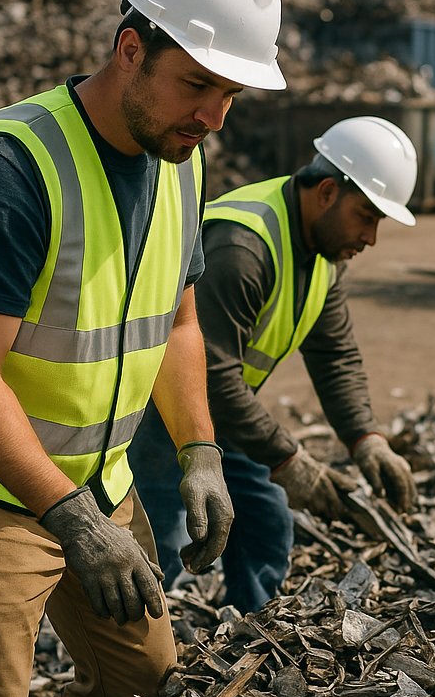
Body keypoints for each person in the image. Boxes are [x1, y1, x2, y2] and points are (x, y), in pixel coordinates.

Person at [0, 0, 287, 697]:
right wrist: (70, 519)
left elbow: (180, 325)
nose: (216, 116)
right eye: (199, 85)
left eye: (231, 93)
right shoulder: (15, 167)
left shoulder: (182, 161)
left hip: (100, 486)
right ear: (131, 50)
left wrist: (199, 450)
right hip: (2, 501)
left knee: (144, 685)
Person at [129, 116, 419, 615]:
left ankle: (251, 640)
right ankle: (136, 667)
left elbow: (335, 356)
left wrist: (366, 440)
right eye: (367, 216)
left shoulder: (322, 255)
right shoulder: (245, 247)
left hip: (221, 416)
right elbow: (212, 374)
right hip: (161, 411)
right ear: (327, 191)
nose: (371, 237)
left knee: (266, 522)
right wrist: (288, 460)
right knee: (163, 541)